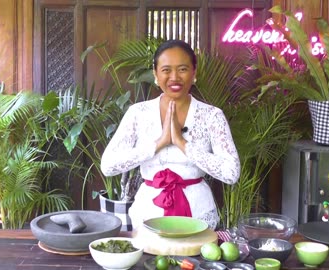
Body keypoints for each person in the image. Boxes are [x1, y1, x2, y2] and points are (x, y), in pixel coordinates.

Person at [100, 39, 240, 230]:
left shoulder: (212, 115)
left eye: (182, 69)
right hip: (147, 215)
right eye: (166, 70)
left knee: (195, 260)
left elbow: (231, 173)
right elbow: (108, 166)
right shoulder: (137, 113)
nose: (174, 77)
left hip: (198, 215)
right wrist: (159, 143)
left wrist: (182, 143)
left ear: (194, 73)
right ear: (155, 74)